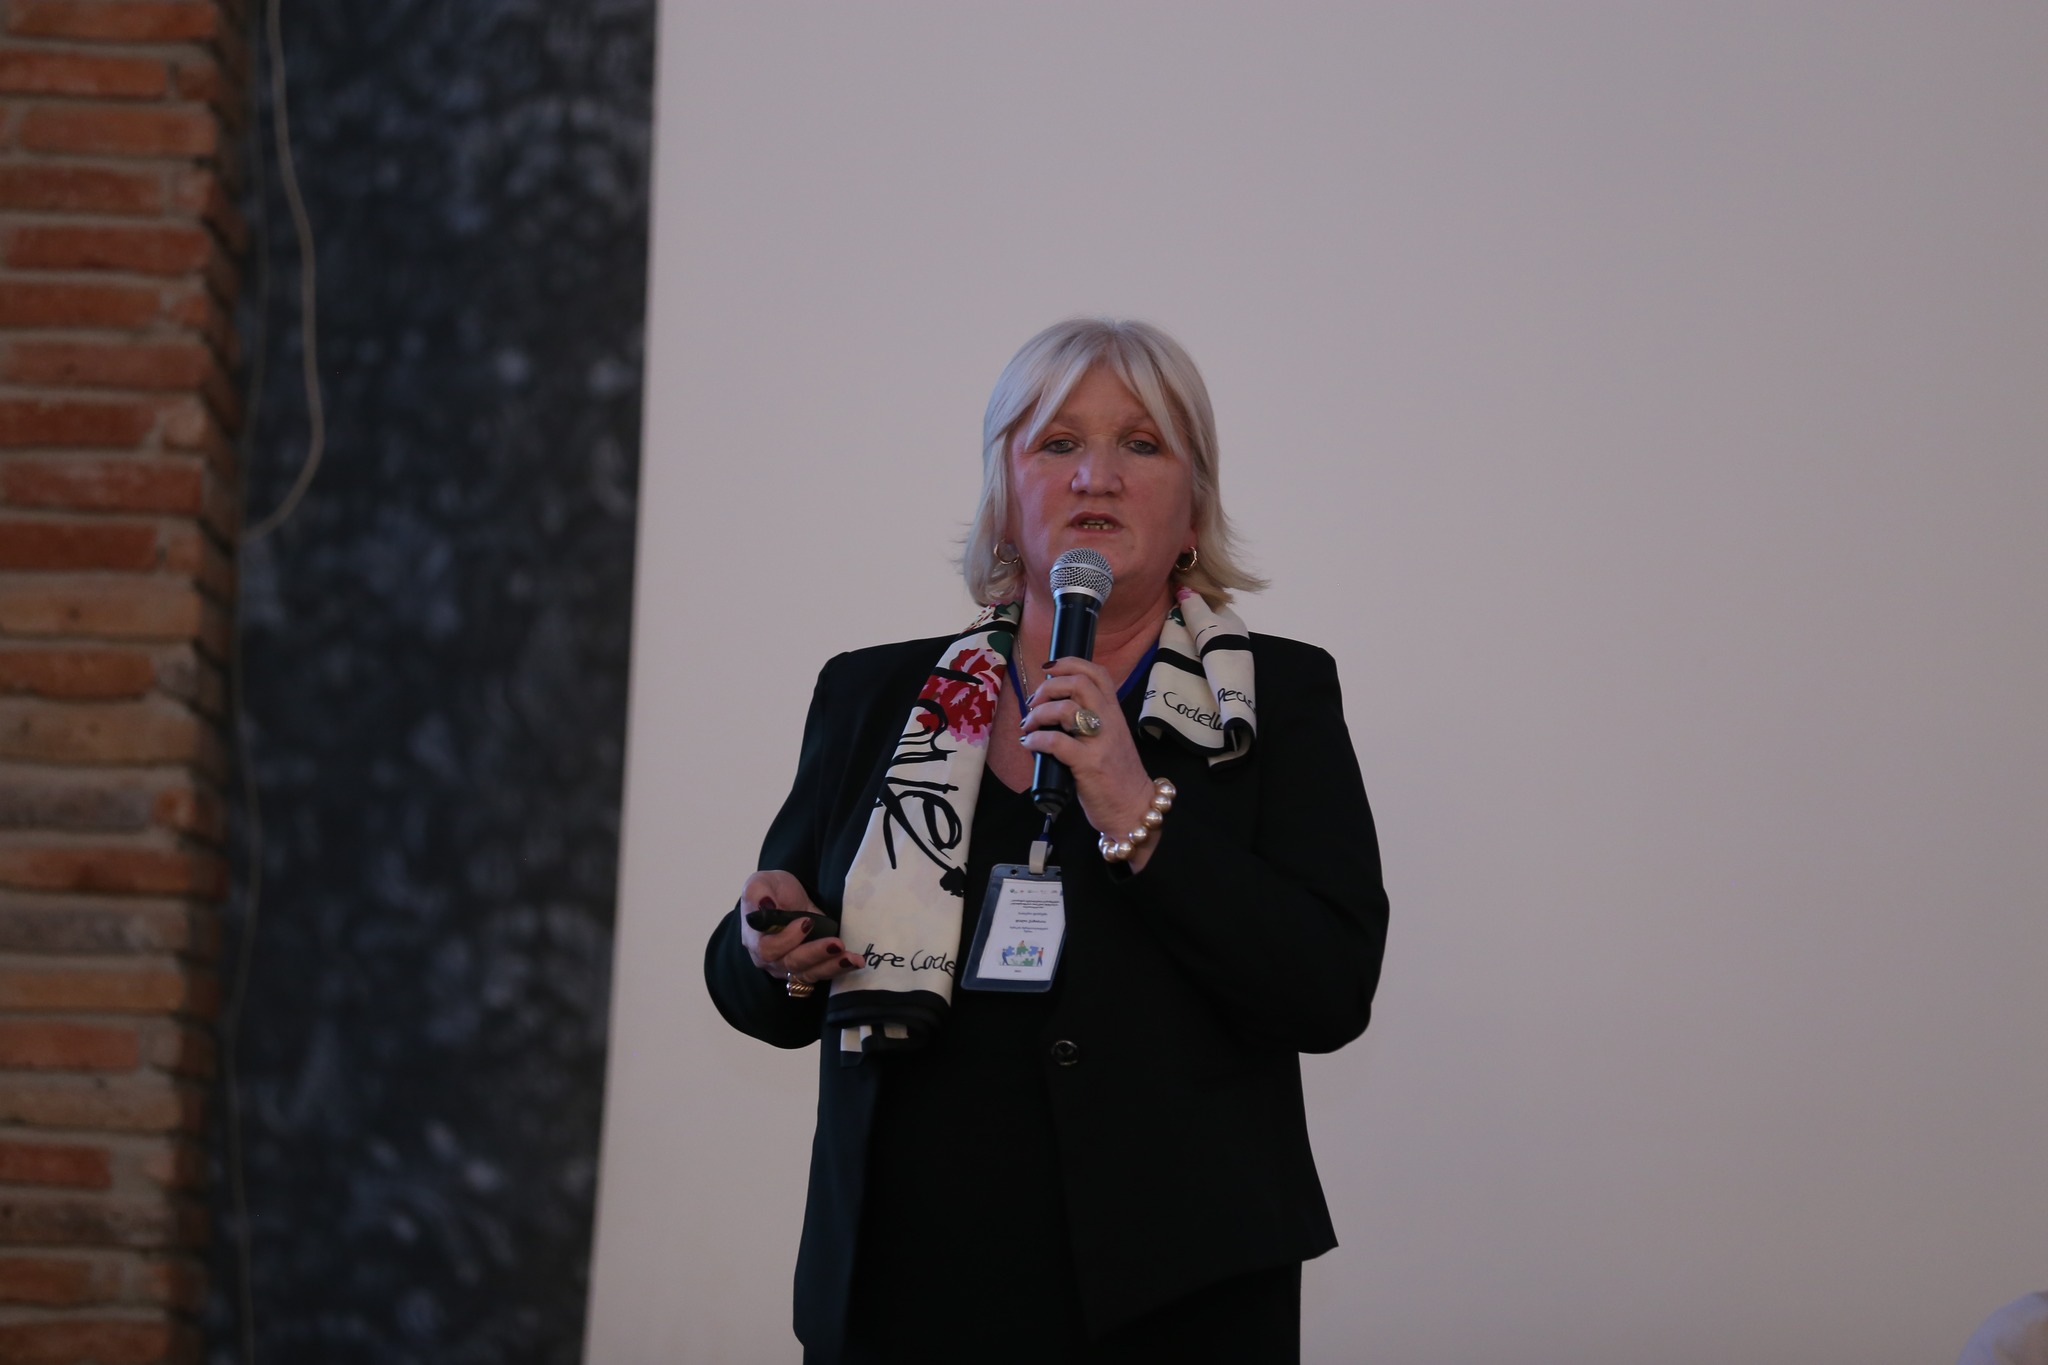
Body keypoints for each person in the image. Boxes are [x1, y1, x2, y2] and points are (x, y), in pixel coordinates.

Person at [704, 318, 1389, 1363]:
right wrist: (769, 951)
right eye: (1057, 443)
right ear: (1003, 498)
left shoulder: (1274, 700)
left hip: (1175, 1295)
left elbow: (1327, 989)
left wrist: (1138, 811)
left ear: (1193, 508)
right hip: (907, 1286)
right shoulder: (874, 696)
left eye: (1141, 444)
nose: (1095, 477)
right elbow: (766, 965)